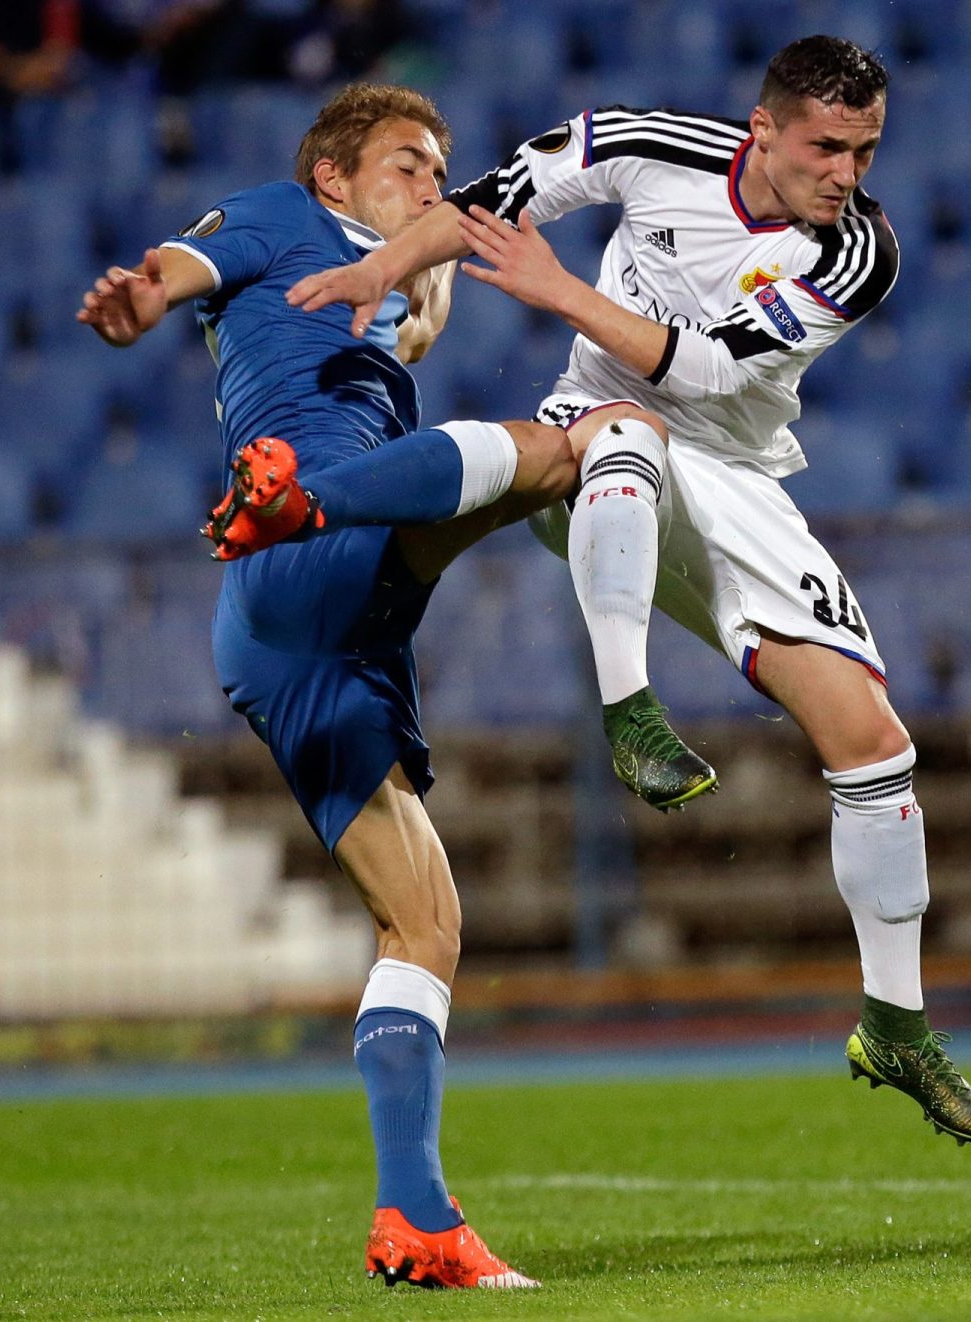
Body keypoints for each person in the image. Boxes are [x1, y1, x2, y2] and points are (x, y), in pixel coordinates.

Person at [285, 36, 971, 1148]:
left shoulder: (860, 253)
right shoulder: (647, 144)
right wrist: (381, 270)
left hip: (739, 480)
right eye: (826, 146)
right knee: (626, 429)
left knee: (873, 742)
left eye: (864, 150)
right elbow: (490, 201)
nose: (846, 172)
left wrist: (559, 290)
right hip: (594, 451)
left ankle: (896, 1025)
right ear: (762, 129)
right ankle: (631, 708)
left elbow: (711, 369)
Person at [77, 82, 671, 1288]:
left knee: (426, 923)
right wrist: (151, 293)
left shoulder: (397, 281)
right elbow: (195, 261)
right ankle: (622, 688)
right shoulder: (282, 219)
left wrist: (419, 288)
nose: (432, 177)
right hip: (306, 540)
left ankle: (416, 1219)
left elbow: (432, 259)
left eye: (440, 162)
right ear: (333, 178)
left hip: (290, 631)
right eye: (408, 159)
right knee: (584, 439)